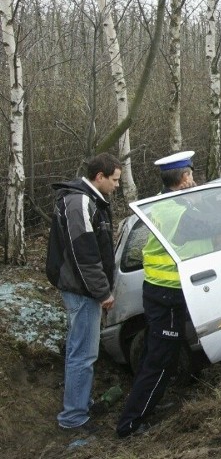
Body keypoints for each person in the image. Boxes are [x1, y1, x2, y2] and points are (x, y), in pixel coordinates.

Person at [115, 151, 200, 437]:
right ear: (184, 178)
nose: (194, 179)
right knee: (159, 358)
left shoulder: (168, 202)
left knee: (162, 353)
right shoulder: (172, 209)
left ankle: (149, 406)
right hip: (167, 293)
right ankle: (130, 424)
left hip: (164, 291)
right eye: (191, 174)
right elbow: (203, 228)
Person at [46, 152, 121, 433]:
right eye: (114, 180)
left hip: (82, 288)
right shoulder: (79, 202)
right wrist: (103, 293)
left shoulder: (89, 200)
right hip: (82, 291)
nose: (117, 186)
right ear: (99, 177)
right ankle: (74, 418)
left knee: (81, 352)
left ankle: (79, 405)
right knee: (83, 354)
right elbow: (85, 256)